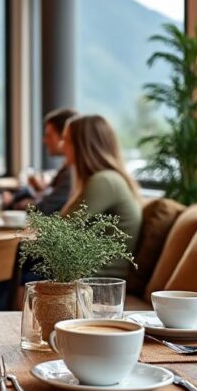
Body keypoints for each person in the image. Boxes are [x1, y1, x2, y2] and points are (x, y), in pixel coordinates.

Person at [61, 115, 143, 278]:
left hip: (96, 282)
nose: (62, 146)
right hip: (88, 277)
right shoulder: (106, 179)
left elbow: (58, 233)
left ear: (83, 145)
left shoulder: (104, 181)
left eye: (67, 140)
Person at [6, 107, 77, 213]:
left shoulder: (71, 172)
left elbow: (46, 208)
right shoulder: (66, 168)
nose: (44, 141)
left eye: (49, 135)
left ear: (63, 137)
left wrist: (19, 203)